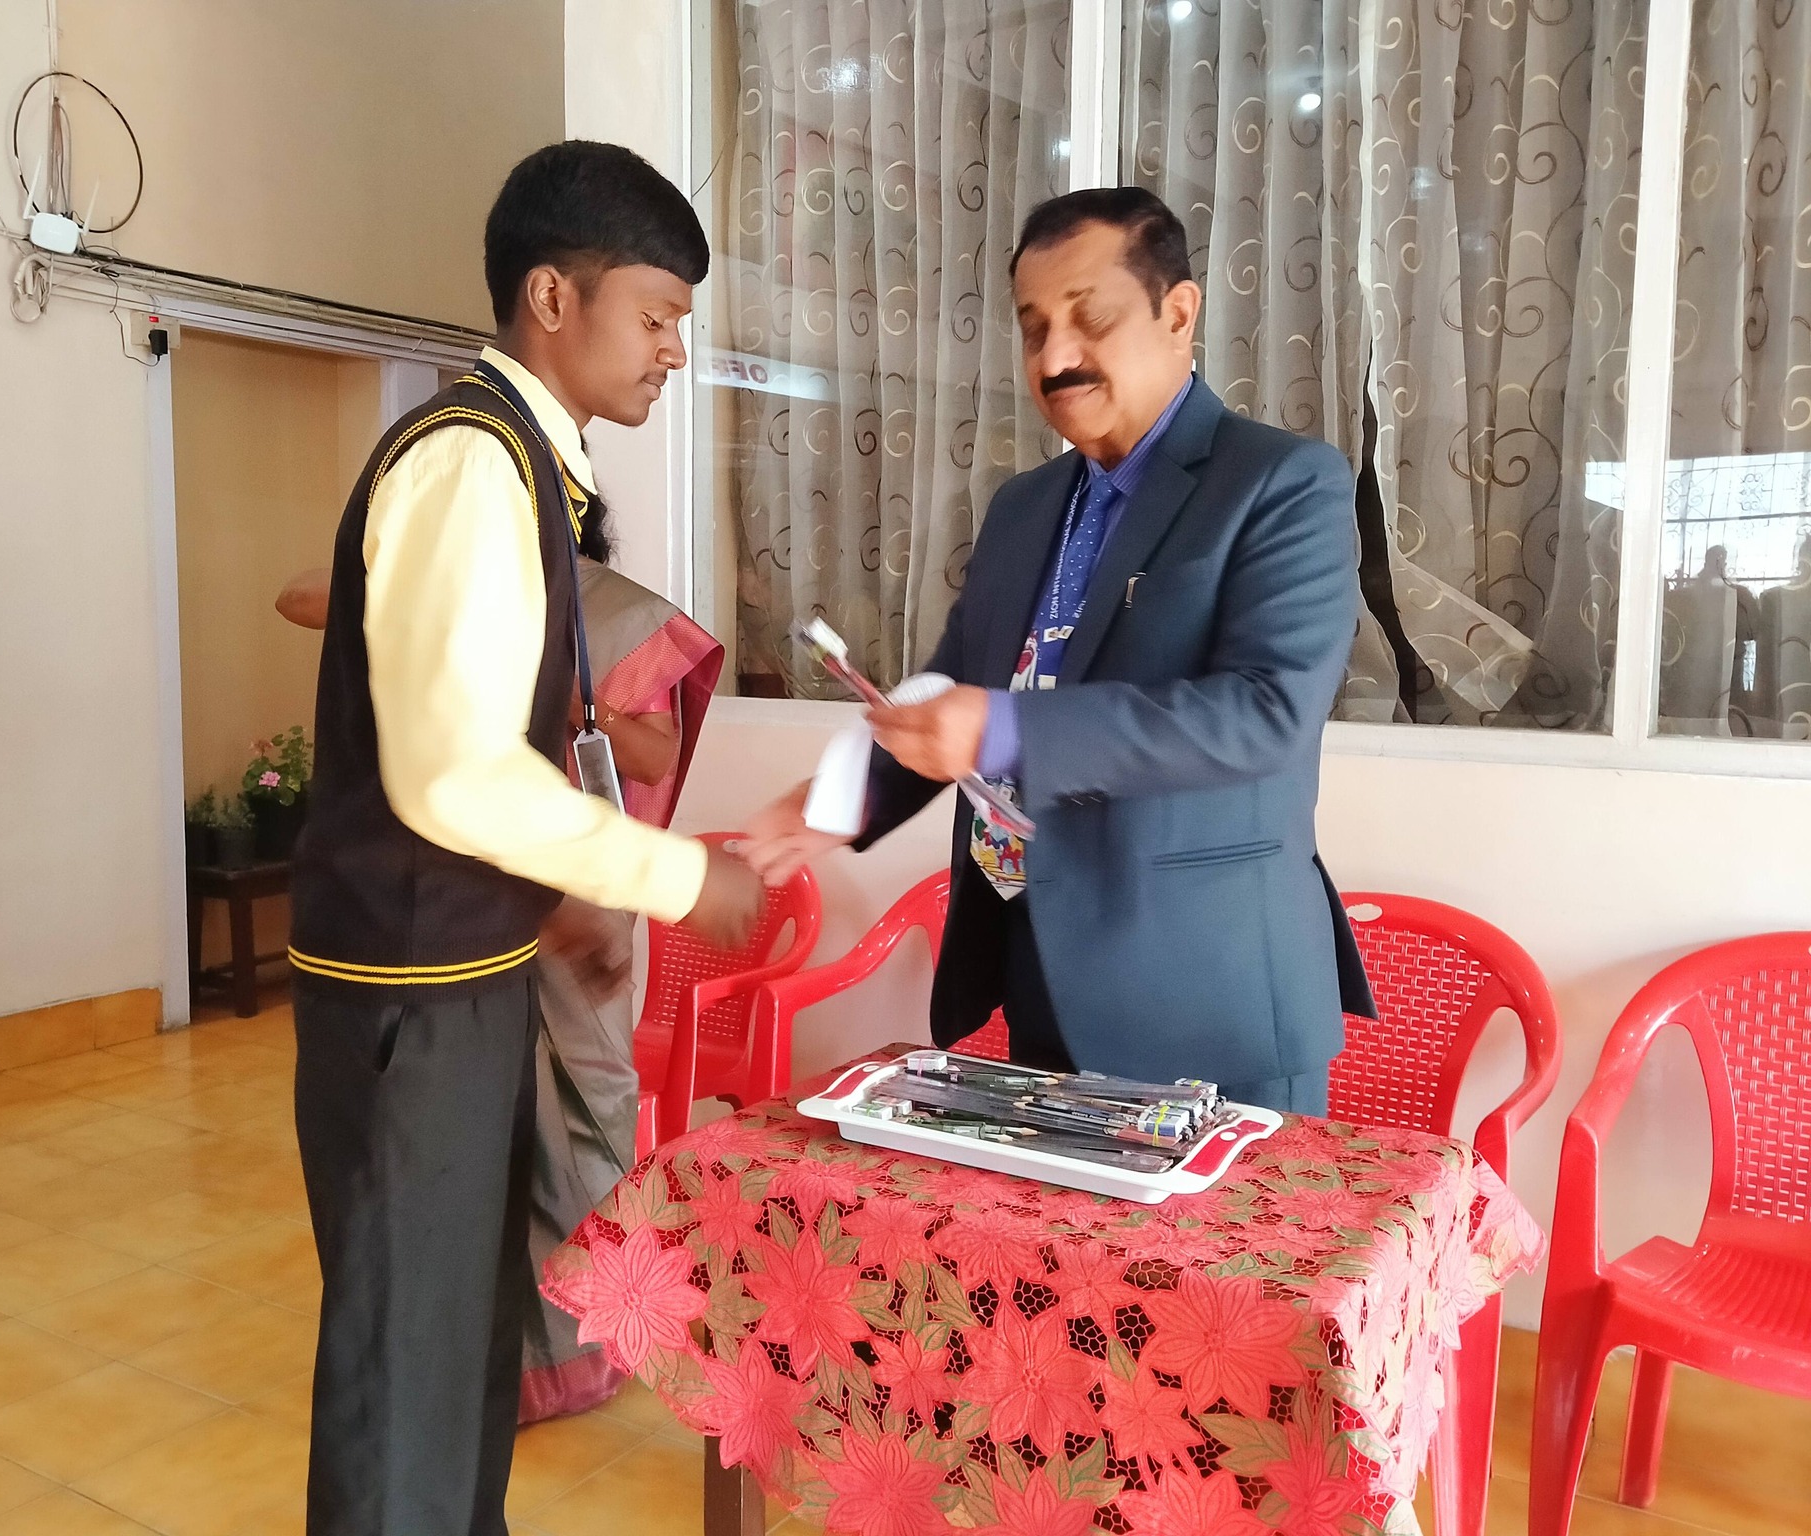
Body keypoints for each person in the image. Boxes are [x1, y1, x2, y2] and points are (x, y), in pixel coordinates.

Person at [287, 141, 763, 1536]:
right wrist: (675, 876)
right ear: (553, 297)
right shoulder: (467, 464)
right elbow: (453, 777)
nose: (674, 349)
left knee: (461, 1340)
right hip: (405, 999)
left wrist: (557, 904)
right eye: (656, 314)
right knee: (406, 1362)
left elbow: (479, 736)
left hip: (461, 978)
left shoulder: (528, 469)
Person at [745, 187, 1374, 1114]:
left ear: (1178, 313)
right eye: (1033, 328)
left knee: (1225, 1223)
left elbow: (1265, 713)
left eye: (1090, 320)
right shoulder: (1024, 507)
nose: (1055, 358)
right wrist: (850, 795)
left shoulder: (1280, 483)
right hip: (1042, 972)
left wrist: (1003, 729)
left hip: (1210, 995)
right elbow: (957, 689)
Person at [274, 513, 724, 1425]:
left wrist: (568, 693)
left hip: (584, 886)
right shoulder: (462, 598)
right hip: (473, 896)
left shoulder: (616, 614)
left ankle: (591, 1339)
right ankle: (507, 1355)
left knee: (589, 1108)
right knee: (488, 1123)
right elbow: (299, 597)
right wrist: (445, 607)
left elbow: (654, 752)